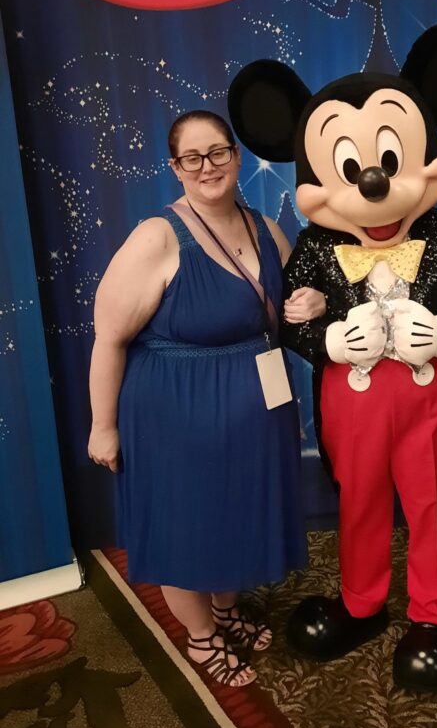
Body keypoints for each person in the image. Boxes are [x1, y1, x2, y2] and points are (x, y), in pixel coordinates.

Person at [88, 110, 325, 688]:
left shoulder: (267, 228)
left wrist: (314, 304)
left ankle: (225, 610)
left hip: (253, 410)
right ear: (175, 168)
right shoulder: (156, 237)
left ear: (237, 157)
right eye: (191, 157)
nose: (207, 166)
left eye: (217, 152)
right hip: (173, 413)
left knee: (234, 517)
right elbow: (109, 338)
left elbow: (288, 314)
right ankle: (200, 638)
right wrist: (103, 426)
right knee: (186, 526)